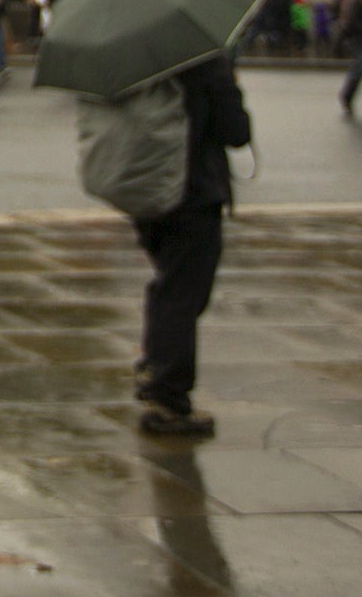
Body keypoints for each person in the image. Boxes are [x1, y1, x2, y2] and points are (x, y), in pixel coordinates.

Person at [133, 54, 252, 438]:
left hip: (148, 187)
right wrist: (229, 83)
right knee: (183, 293)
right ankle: (168, 397)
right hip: (193, 191)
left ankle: (156, 363)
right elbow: (235, 130)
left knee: (170, 283)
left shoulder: (137, 57)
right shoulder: (204, 60)